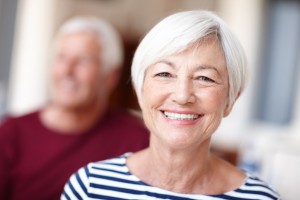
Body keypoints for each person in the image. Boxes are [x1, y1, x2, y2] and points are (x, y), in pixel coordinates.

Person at [61, 10, 280, 200]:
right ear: (140, 91)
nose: (182, 95)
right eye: (165, 74)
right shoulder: (90, 187)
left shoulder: (259, 197)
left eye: (204, 78)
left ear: (231, 99)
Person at [0, 16, 149, 200]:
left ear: (111, 76)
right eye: (61, 58)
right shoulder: (11, 133)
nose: (67, 71)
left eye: (83, 61)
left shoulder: (138, 140)